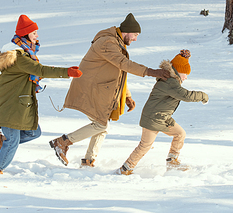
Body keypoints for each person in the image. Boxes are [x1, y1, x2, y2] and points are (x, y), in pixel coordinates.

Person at [49, 13, 170, 168]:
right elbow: (123, 63)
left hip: (98, 88)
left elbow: (118, 71)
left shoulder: (117, 42)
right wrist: (151, 72)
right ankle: (62, 142)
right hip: (90, 88)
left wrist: (127, 96)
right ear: (126, 32)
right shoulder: (107, 42)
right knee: (101, 125)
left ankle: (88, 161)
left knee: (101, 125)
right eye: (135, 35)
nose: (135, 39)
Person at [0, 14, 83, 175]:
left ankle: (1, 143)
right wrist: (66, 72)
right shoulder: (19, 58)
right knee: (13, 141)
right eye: (34, 33)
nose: (37, 36)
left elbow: (36, 71)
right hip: (10, 102)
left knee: (34, 132)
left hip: (16, 101)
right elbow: (40, 70)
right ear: (25, 35)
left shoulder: (23, 55)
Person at [117, 49, 209, 175]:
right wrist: (203, 96)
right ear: (178, 71)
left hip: (163, 118)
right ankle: (126, 168)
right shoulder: (170, 82)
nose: (186, 77)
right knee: (145, 146)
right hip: (153, 119)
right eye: (185, 73)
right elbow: (186, 95)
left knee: (180, 134)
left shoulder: (172, 81)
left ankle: (172, 160)